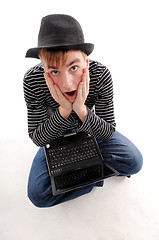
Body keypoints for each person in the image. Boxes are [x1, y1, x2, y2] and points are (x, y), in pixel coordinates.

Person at [24, 14, 143, 208]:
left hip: (90, 128)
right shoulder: (32, 81)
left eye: (73, 67)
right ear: (43, 65)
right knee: (39, 194)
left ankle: (80, 175)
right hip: (55, 136)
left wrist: (81, 109)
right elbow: (38, 138)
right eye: (54, 71)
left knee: (134, 161)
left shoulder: (100, 74)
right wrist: (63, 110)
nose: (67, 84)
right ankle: (93, 176)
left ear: (86, 62)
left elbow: (107, 131)